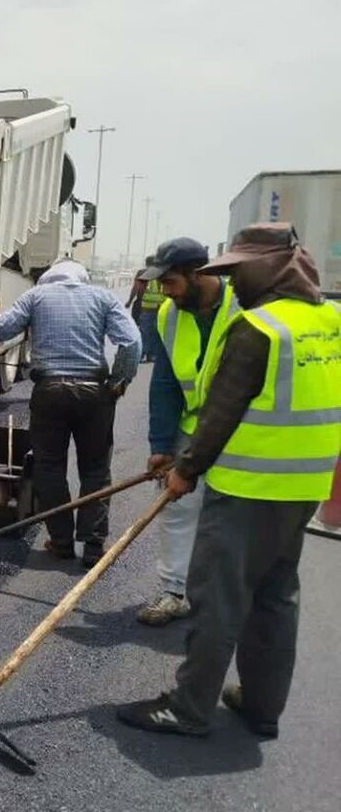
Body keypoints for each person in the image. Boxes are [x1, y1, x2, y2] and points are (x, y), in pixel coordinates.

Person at [117, 224, 341, 738]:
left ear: (272, 269)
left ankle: (188, 707)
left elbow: (222, 411)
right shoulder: (329, 318)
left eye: (242, 272)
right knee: (276, 593)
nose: (237, 284)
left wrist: (185, 470)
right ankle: (263, 706)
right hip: (304, 482)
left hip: (249, 484)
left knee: (217, 596)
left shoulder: (258, 328)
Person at [0, 261, 142, 567]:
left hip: (50, 393)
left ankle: (60, 541)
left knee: (50, 467)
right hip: (93, 393)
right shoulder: (103, 298)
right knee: (96, 470)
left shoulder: (37, 296)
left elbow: (2, 327)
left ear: (48, 279)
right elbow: (131, 341)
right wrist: (119, 380)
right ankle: (93, 546)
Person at [135, 237, 240, 626]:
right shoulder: (169, 313)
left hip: (240, 433)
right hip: (191, 429)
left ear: (198, 275)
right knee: (177, 508)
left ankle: (224, 598)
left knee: (229, 517)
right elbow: (164, 383)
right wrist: (162, 446)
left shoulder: (243, 309)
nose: (165, 291)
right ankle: (175, 591)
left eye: (171, 282)